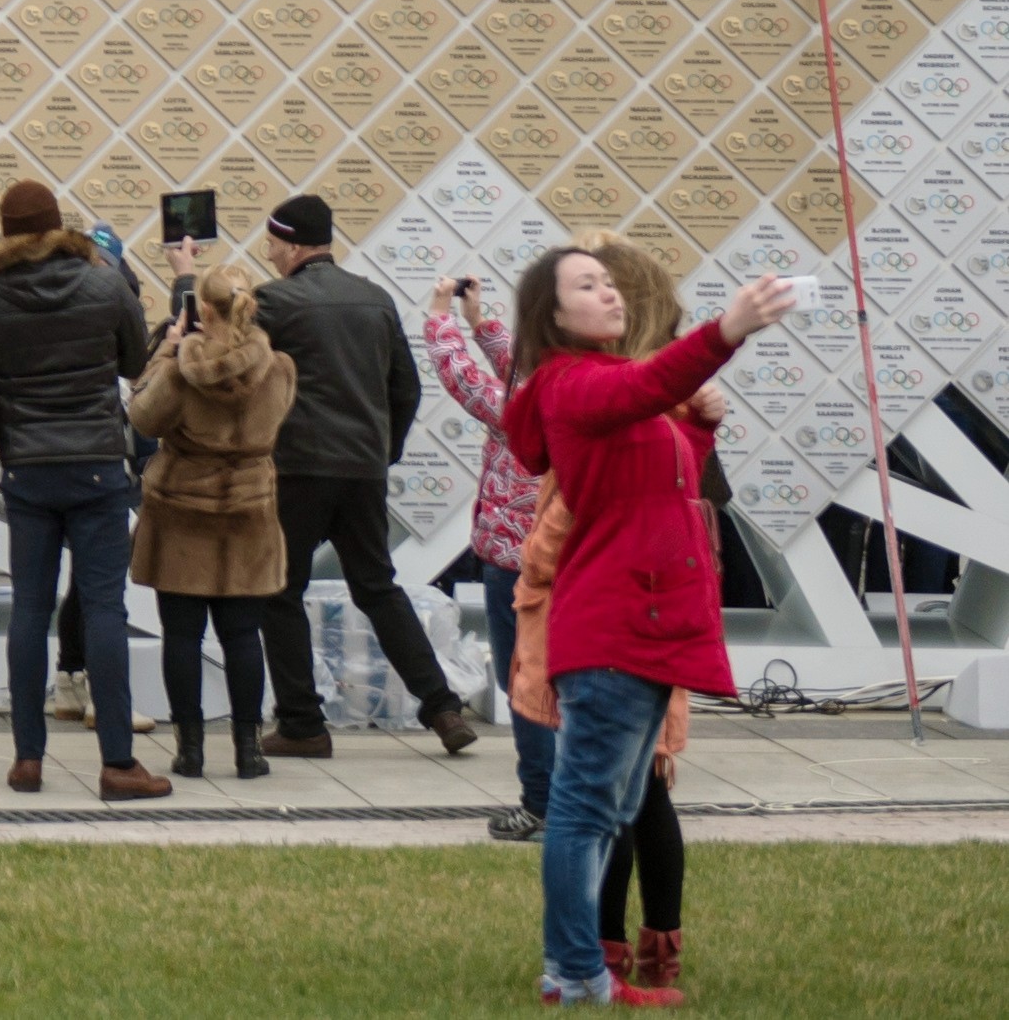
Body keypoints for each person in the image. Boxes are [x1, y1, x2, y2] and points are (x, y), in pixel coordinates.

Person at [505, 245, 789, 1008]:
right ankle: (573, 972)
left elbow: (668, 481)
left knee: (615, 806)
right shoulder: (574, 383)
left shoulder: (600, 387)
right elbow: (651, 382)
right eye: (586, 285)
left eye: (608, 281)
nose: (609, 292)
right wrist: (725, 331)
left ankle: (578, 969)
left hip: (641, 622)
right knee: (586, 808)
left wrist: (696, 428)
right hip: (615, 627)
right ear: (552, 314)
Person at [0, 182, 165, 800]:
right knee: (103, 608)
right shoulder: (104, 284)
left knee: (30, 609)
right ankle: (119, 763)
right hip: (97, 466)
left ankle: (27, 759)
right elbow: (131, 363)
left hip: (27, 471)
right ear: (56, 225)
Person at [249, 194, 478, 760]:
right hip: (362, 469)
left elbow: (246, 381)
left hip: (297, 468)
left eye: (274, 242)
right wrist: (383, 450)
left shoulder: (272, 301)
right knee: (377, 587)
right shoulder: (375, 300)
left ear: (295, 244)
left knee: (280, 592)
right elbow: (406, 387)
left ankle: (303, 724)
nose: (270, 252)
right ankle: (442, 708)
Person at [130, 250, 293, 783]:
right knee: (243, 636)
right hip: (249, 512)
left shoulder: (180, 374)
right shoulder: (280, 370)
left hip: (181, 513)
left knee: (182, 637)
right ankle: (249, 751)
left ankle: (190, 751)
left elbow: (141, 417)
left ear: (202, 309)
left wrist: (165, 355)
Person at [423, 266, 552, 843]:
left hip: (514, 560)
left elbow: (468, 382)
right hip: (562, 557)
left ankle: (543, 799)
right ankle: (571, 790)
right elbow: (514, 372)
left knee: (523, 680)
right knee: (555, 681)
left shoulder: (526, 406)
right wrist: (479, 321)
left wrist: (437, 319)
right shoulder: (568, 381)